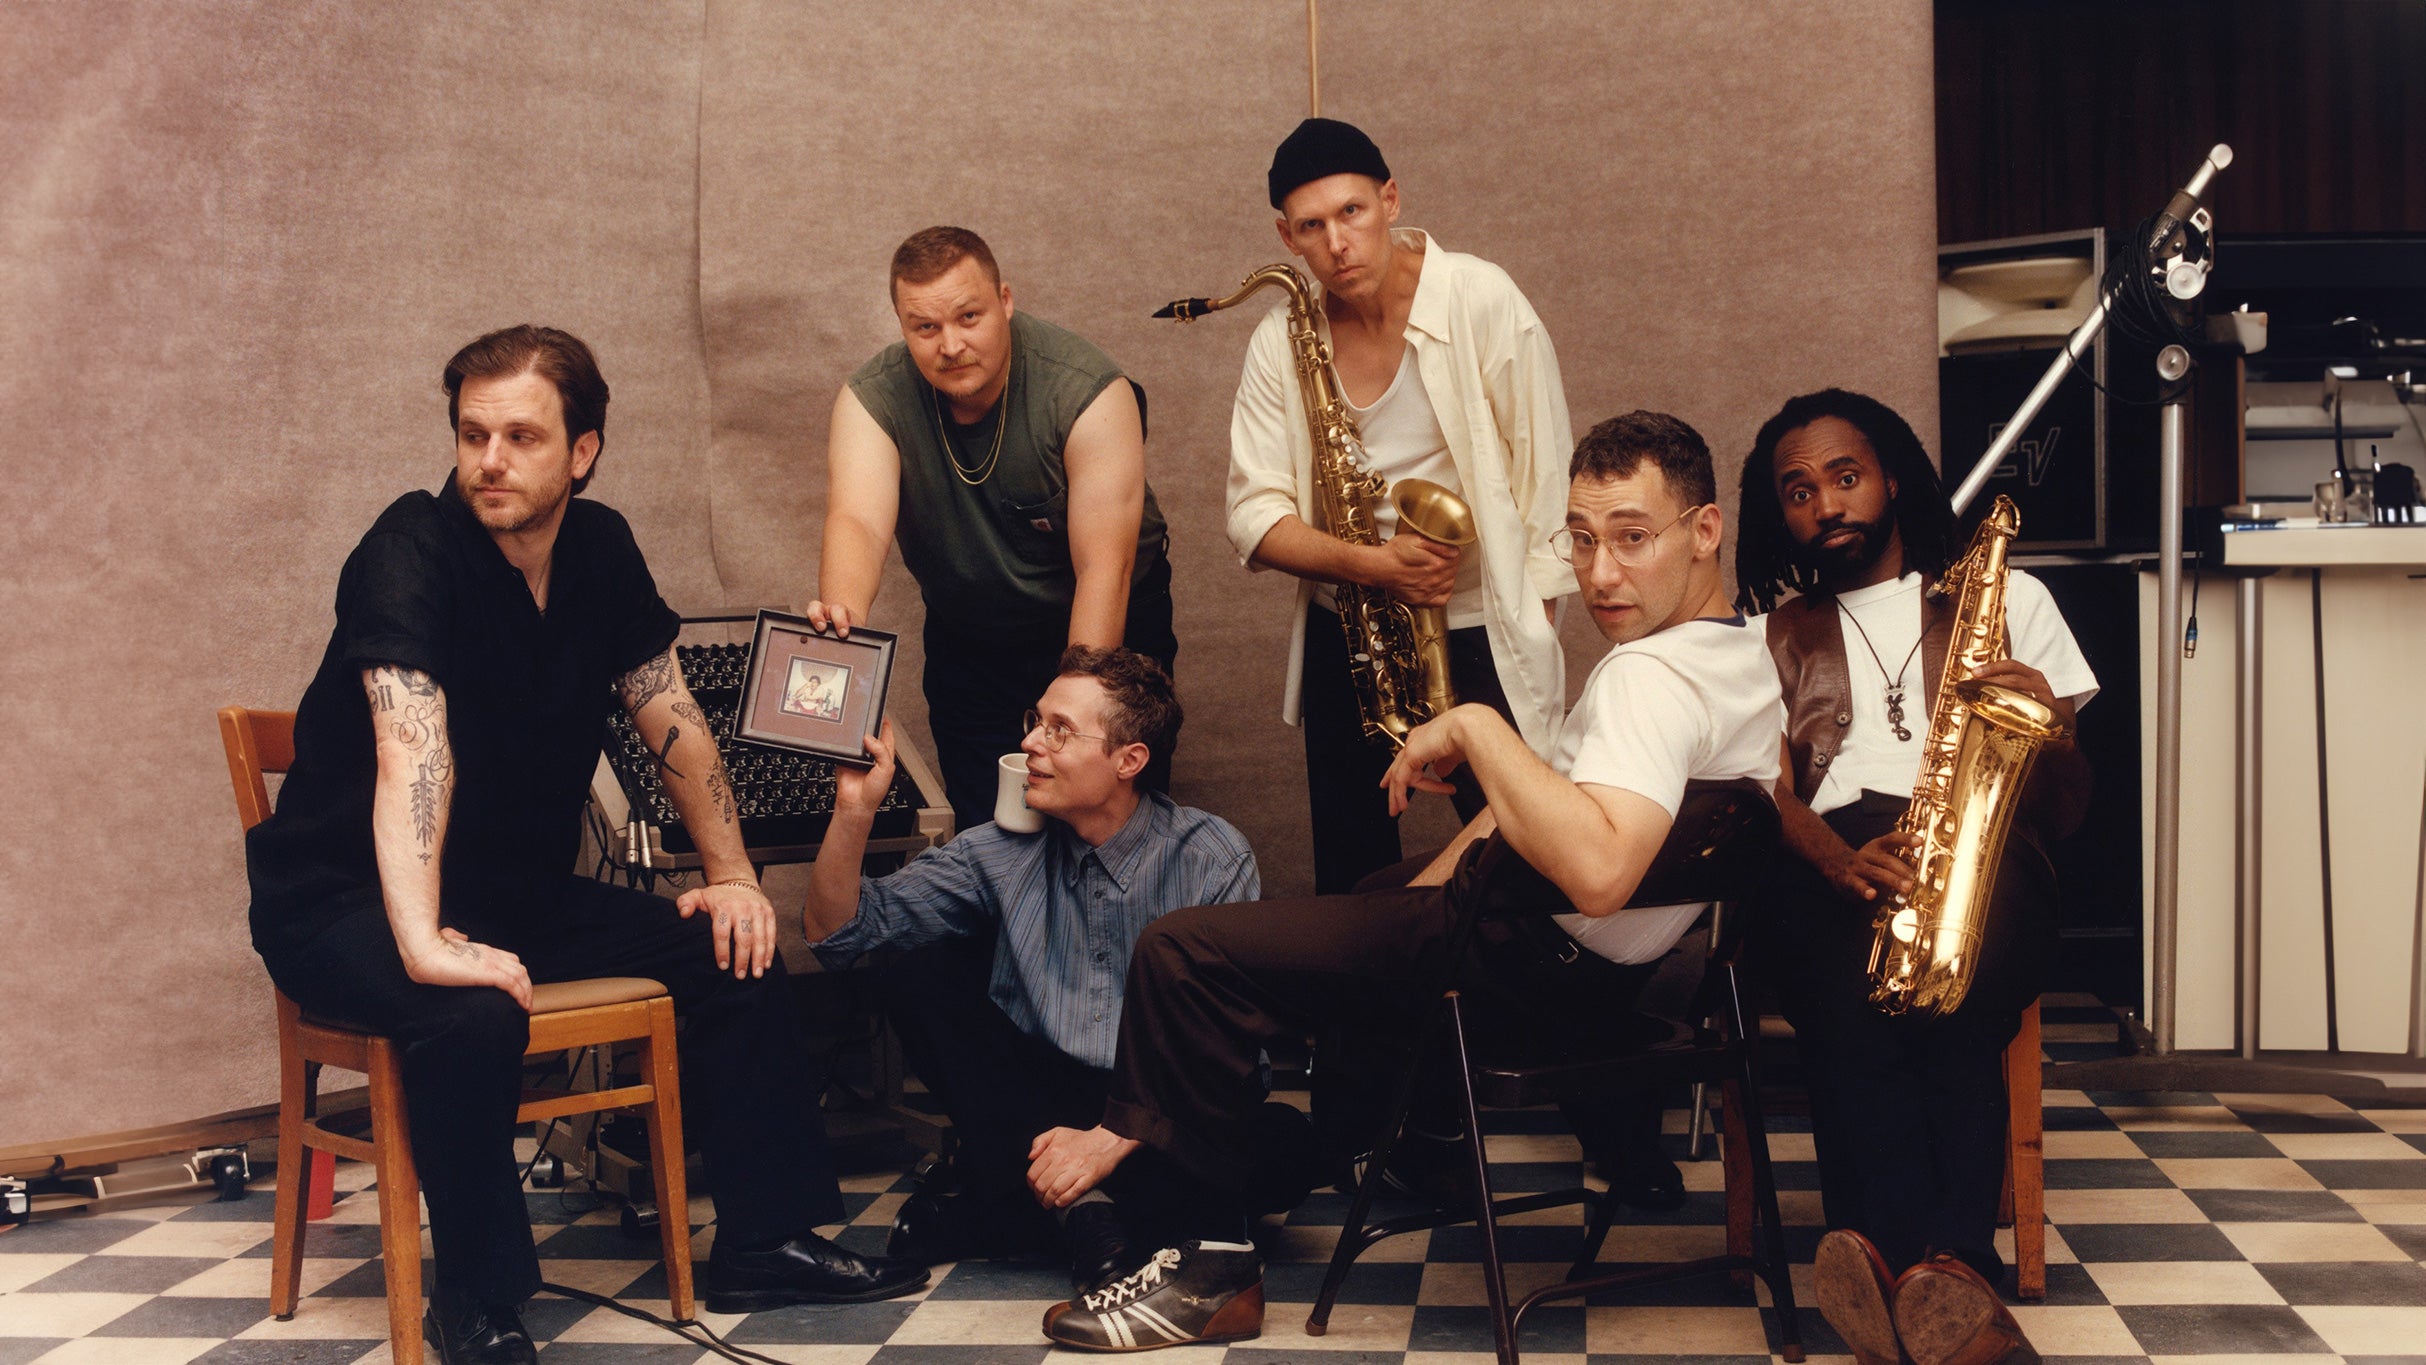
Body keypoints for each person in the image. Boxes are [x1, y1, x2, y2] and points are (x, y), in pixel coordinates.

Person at [1023, 411, 1783, 1352]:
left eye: (1632, 537)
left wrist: (1476, 726)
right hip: (1598, 982)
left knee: (1183, 953)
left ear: (1704, 530)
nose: (1598, 574)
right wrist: (1416, 898)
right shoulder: (1744, 658)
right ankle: (1337, 1137)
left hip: (1525, 972)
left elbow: (1596, 871)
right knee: (1376, 890)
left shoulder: (1648, 680)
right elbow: (1573, 807)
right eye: (1581, 540)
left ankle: (1210, 1265)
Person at [244, 326, 926, 1365]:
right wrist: (423, 942)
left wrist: (734, 878)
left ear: (583, 451)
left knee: (730, 949)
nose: (490, 460)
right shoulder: (406, 551)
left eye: (521, 436)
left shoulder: (599, 549)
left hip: (508, 892)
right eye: (473, 434)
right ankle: (474, 1301)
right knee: (466, 1009)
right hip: (343, 901)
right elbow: (411, 749)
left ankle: (768, 1241)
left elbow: (669, 715)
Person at [1732, 389, 2096, 1365]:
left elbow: (2067, 811)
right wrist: (1834, 857)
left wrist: (2052, 725)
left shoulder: (2008, 600)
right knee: (1845, 977)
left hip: (1986, 847)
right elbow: (1761, 793)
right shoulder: (1767, 636)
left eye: (1845, 476)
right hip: (1831, 853)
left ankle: (1897, 1259)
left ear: (1890, 479)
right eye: (1798, 491)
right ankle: (1937, 1277)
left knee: (1954, 976)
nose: (1825, 505)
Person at [802, 646, 1293, 1295]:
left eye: (1059, 730)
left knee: (1287, 1145)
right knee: (916, 974)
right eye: (1035, 721)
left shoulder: (1212, 856)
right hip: (1041, 1105)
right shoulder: (999, 849)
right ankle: (1088, 1215)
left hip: (1168, 1105)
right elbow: (838, 934)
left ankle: (1010, 1209)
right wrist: (854, 809)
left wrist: (1115, 1137)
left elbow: (1222, 1048)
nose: (1031, 742)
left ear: (1129, 760)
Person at [1225, 117, 1575, 893]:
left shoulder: (1481, 298)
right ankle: (1373, 979)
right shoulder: (1281, 339)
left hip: (1481, 619)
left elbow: (1548, 486)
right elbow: (1251, 516)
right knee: (1350, 868)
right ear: (1287, 238)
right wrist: (1378, 567)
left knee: (1523, 859)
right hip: (1350, 626)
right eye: (1311, 227)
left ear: (1390, 199)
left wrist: (1534, 640)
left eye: (1351, 211)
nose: (1337, 243)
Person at [808, 226, 1177, 832]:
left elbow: (1104, 570)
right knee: (990, 834)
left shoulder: (1088, 391)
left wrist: (1066, 722)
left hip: (1103, 625)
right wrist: (843, 639)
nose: (950, 345)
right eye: (925, 327)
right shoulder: (871, 397)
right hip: (972, 637)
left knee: (1103, 826)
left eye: (969, 317)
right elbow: (858, 521)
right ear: (902, 325)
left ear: (1005, 301)